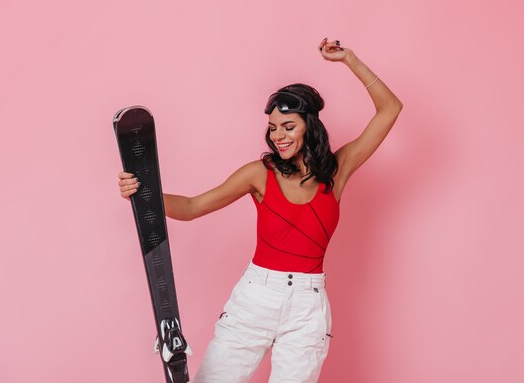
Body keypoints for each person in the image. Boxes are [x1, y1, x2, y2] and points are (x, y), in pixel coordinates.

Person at [117, 38, 403, 383]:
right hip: (256, 298)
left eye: (288, 126)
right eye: (272, 128)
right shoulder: (259, 174)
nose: (278, 136)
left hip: (307, 307)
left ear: (309, 126)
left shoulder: (337, 172)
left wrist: (350, 59)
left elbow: (390, 109)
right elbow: (193, 207)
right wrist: (144, 195)